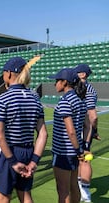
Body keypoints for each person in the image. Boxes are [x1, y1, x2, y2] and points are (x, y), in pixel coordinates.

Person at [0, 57, 48, 203]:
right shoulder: (35, 99)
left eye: (3, 73)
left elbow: (0, 136)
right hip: (28, 153)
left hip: (8, 153)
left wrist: (13, 162)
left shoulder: (2, 100)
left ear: (9, 74)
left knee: (3, 197)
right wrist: (34, 161)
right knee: (25, 194)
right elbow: (43, 134)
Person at [49, 68, 87, 203]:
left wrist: (77, 150)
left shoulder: (65, 101)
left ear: (64, 82)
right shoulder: (79, 100)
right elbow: (86, 125)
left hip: (63, 152)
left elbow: (70, 130)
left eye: (57, 81)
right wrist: (80, 149)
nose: (55, 84)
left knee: (63, 190)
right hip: (74, 152)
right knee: (73, 186)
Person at [74, 64, 99, 203]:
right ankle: (81, 187)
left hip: (83, 130)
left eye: (77, 73)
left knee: (84, 159)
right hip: (84, 130)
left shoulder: (87, 90)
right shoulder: (81, 88)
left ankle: (85, 193)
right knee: (81, 159)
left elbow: (93, 116)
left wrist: (90, 132)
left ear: (83, 74)